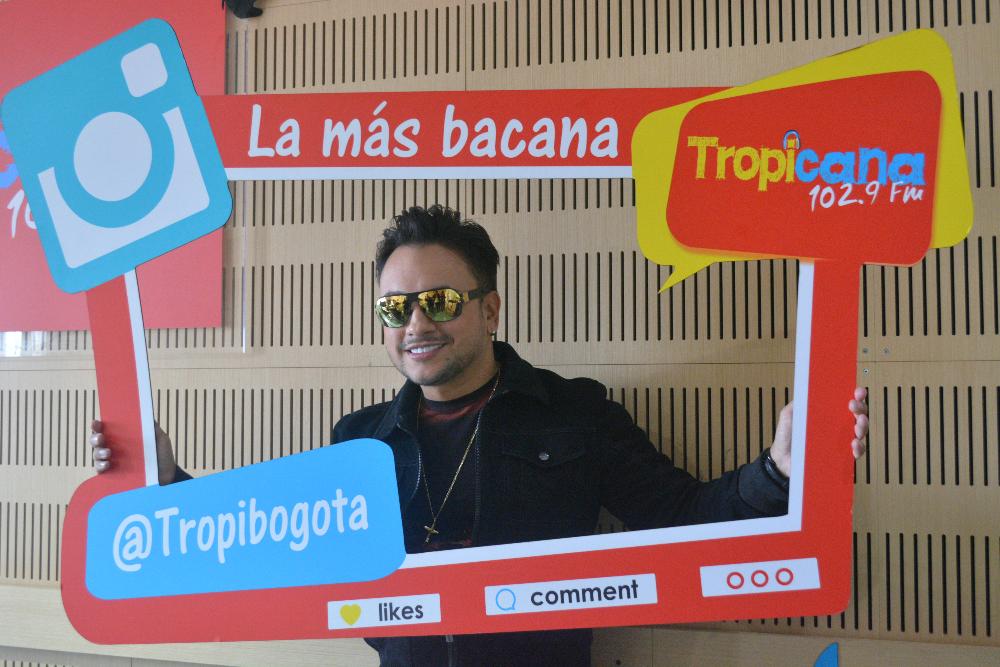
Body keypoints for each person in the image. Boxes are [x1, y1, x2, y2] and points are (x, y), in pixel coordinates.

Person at [92, 205, 868, 666]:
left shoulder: (576, 413)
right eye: (395, 308)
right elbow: (268, 549)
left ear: (489, 309)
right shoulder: (359, 443)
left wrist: (779, 468)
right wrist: (165, 484)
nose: (416, 323)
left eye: (438, 301)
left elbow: (685, 519)